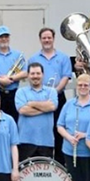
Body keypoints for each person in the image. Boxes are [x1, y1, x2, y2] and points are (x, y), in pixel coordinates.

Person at [28, 27, 72, 165]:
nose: (47, 40)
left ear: (53, 39)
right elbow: (31, 78)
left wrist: (54, 92)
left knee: (59, 129)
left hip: (58, 96)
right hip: (39, 98)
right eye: (44, 38)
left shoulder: (63, 57)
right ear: (40, 40)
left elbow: (66, 77)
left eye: (49, 37)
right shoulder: (33, 58)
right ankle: (42, 162)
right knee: (41, 129)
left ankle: (59, 163)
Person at [15, 62, 58, 161]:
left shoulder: (51, 91)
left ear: (43, 75)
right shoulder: (21, 92)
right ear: (28, 75)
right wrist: (45, 108)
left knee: (46, 170)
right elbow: (23, 110)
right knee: (25, 170)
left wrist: (31, 103)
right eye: (32, 73)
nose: (35, 76)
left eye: (38, 73)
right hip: (25, 140)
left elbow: (52, 106)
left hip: (46, 141)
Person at [0, 25, 27, 123]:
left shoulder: (18, 54)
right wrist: (1, 80)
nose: (4, 39)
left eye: (6, 36)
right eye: (1, 37)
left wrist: (11, 78)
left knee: (14, 121)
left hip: (14, 94)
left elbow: (25, 72)